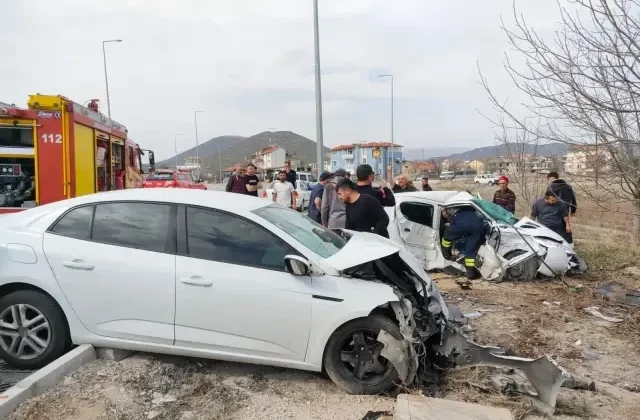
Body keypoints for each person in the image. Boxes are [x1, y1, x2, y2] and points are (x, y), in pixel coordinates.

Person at [440, 206, 486, 280]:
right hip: (478, 228)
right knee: (471, 251)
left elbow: (453, 230)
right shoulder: (469, 210)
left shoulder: (455, 214)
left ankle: (446, 254)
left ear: (446, 212)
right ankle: (471, 274)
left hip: (466, 226)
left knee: (447, 235)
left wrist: (447, 252)